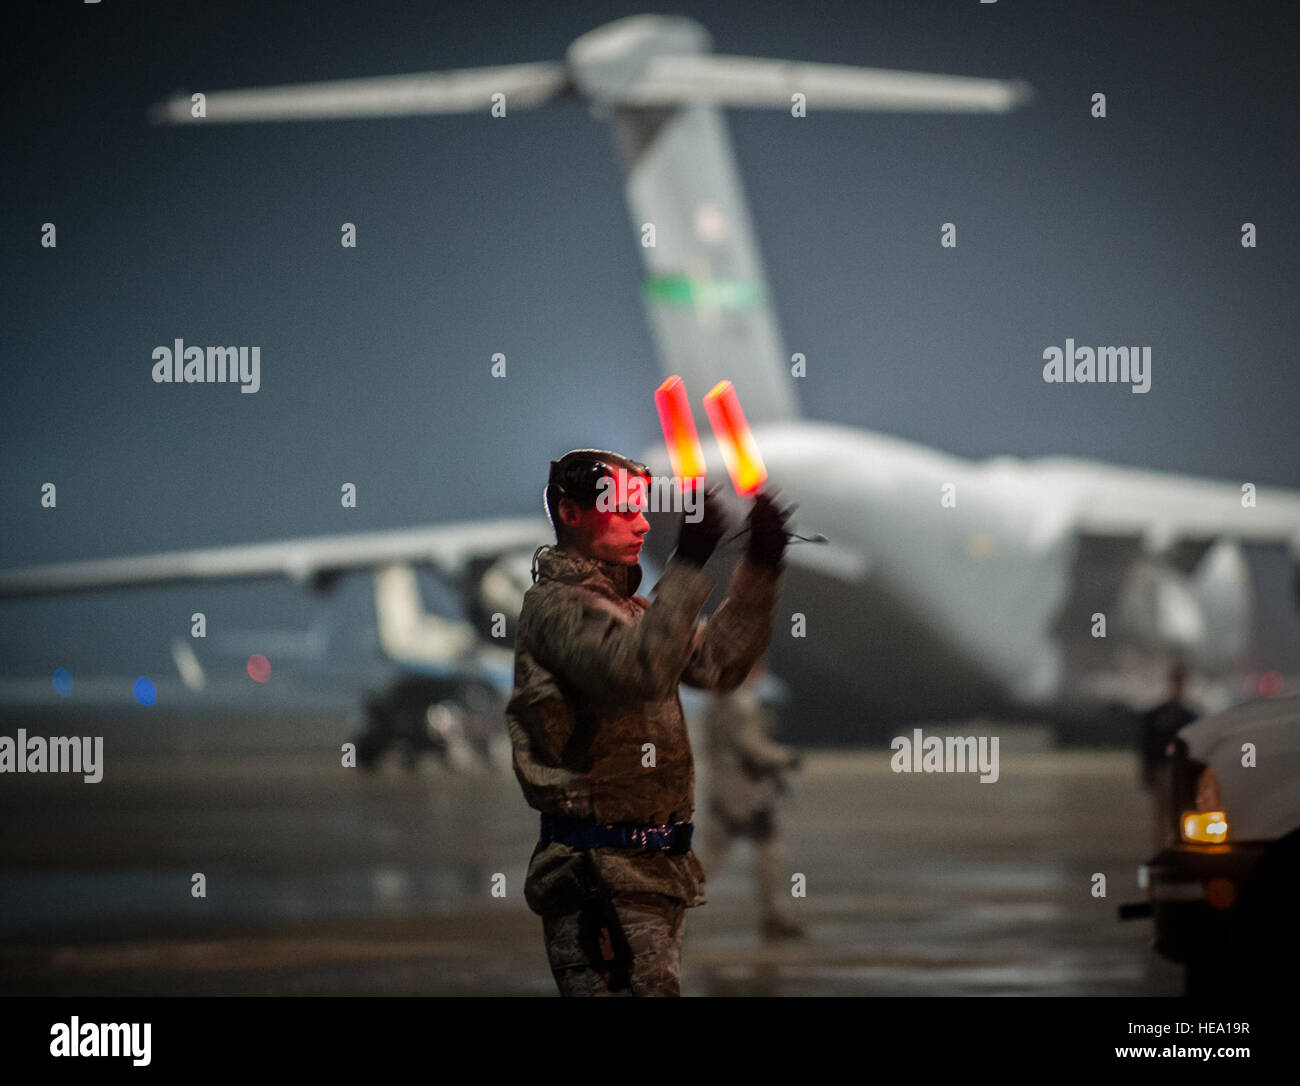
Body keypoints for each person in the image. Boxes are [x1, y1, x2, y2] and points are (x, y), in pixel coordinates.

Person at [505, 448, 791, 996]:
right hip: (597, 875)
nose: (642, 523)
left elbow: (719, 664)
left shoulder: (634, 611)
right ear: (570, 513)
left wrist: (761, 565)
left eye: (645, 509)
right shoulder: (554, 608)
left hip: (650, 874)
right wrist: (688, 563)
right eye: (623, 508)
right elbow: (638, 668)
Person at [699, 662, 804, 940]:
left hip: (724, 790)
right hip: (747, 793)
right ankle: (774, 916)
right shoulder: (740, 703)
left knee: (715, 856)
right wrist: (786, 757)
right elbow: (752, 747)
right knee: (766, 853)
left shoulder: (717, 702)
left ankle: (672, 909)